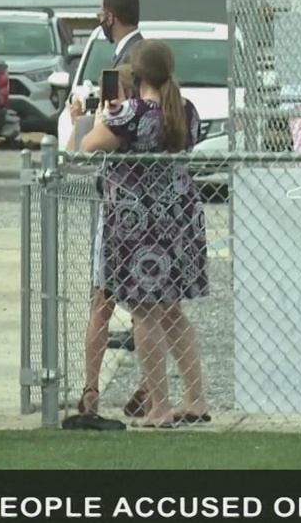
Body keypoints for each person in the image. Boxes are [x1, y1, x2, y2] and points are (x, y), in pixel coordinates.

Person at [80, 40, 210, 428]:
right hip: (179, 220)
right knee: (171, 311)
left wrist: (105, 115)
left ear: (136, 76)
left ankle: (159, 407)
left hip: (139, 225)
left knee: (144, 313)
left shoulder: (132, 113)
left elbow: (89, 144)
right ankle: (195, 398)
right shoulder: (185, 110)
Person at [92, 0, 144, 391]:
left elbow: (107, 126)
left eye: (100, 11)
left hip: (122, 191)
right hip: (140, 192)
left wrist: (87, 120)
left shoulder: (125, 63)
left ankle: (91, 391)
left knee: (106, 298)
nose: (98, 17)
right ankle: (150, 389)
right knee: (156, 306)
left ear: (110, 15)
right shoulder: (139, 52)